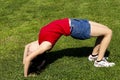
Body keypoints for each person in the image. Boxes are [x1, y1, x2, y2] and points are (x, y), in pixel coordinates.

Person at [23, 18, 115, 77]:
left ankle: (94, 56)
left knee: (105, 30)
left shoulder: (40, 41)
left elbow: (26, 46)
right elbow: (28, 59)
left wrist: (24, 61)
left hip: (74, 21)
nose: (29, 51)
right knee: (108, 32)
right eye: (30, 53)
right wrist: (25, 76)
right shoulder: (46, 45)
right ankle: (99, 61)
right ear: (37, 55)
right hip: (75, 28)